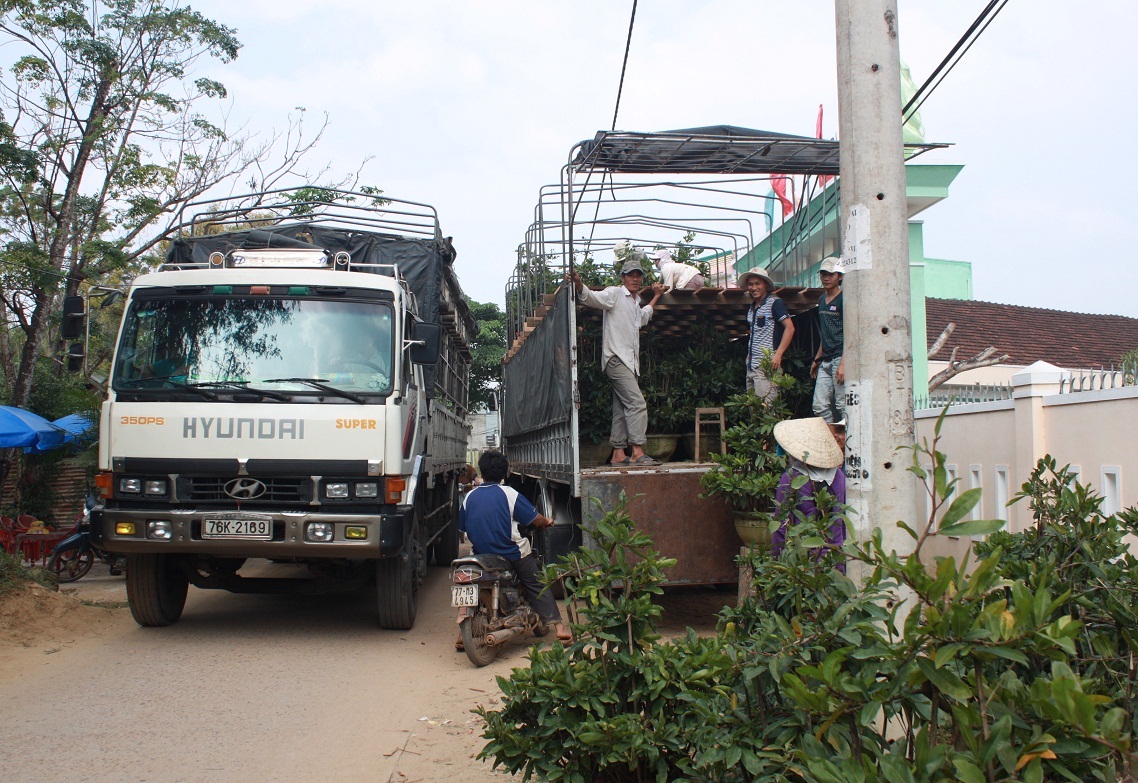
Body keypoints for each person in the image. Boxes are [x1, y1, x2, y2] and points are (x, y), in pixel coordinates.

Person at [459, 450, 572, 641]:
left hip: (479, 555)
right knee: (536, 583)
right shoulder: (509, 493)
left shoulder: (470, 496)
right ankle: (559, 627)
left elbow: (462, 527)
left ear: (482, 472)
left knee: (470, 585)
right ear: (503, 473)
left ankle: (461, 634)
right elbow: (534, 518)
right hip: (510, 553)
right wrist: (546, 521)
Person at [568, 259, 666, 466]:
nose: (635, 279)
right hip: (616, 359)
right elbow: (591, 297)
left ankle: (618, 453)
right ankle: (637, 451)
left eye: (638, 276)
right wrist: (578, 282)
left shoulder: (635, 301)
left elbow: (643, 317)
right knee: (637, 403)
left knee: (621, 407)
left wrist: (656, 296)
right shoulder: (614, 294)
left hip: (629, 363)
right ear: (623, 278)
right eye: (631, 275)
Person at [770, 417, 848, 572]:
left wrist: (777, 561)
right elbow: (844, 521)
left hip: (803, 563)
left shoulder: (791, 478)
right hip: (835, 559)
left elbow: (781, 524)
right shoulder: (839, 476)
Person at [739, 268, 795, 401]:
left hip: (767, 364)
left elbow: (790, 328)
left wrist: (778, 354)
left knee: (766, 406)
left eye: (758, 283)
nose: (754, 287)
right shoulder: (752, 307)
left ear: (766, 284)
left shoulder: (775, 303)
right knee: (754, 407)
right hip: (752, 365)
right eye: (750, 284)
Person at [811, 256, 845, 423]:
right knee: (819, 406)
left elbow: (851, 334)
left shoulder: (844, 299)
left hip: (840, 357)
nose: (826, 278)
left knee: (843, 405)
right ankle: (832, 436)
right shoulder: (821, 300)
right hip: (825, 360)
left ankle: (849, 437)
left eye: (831, 274)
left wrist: (844, 364)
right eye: (823, 274)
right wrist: (817, 359)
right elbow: (825, 333)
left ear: (840, 276)